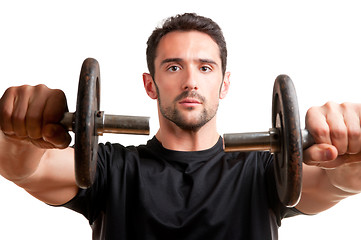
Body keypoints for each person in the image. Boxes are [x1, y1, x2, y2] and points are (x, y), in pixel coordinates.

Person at [0, 13, 361, 240]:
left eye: (205, 67)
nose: (191, 81)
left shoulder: (264, 172)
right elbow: (27, 167)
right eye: (174, 67)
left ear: (225, 83)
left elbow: (336, 182)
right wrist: (21, 130)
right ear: (150, 84)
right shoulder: (110, 168)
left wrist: (353, 154)